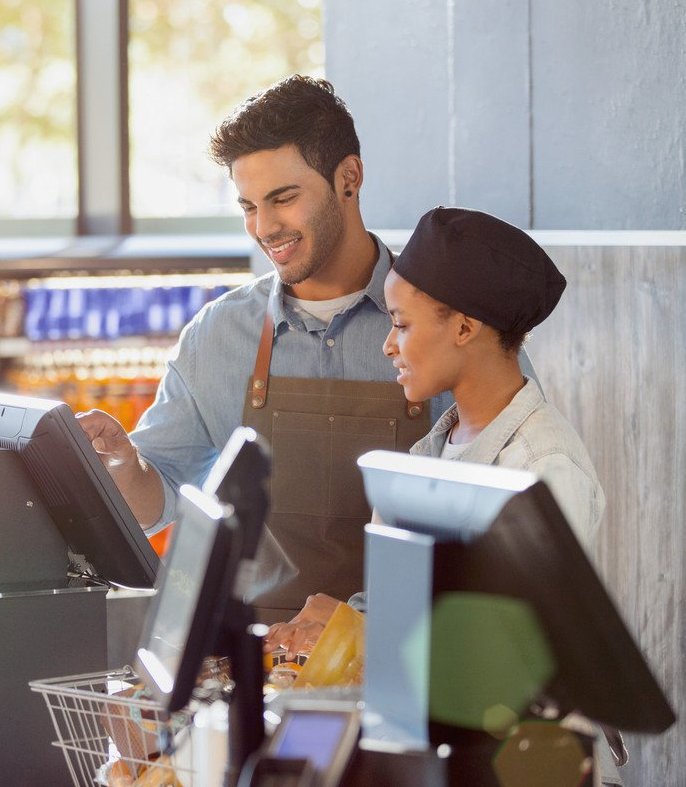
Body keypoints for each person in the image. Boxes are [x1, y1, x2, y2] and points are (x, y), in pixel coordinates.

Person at [76, 75, 458, 624]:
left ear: (349, 178)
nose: (264, 227)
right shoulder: (218, 334)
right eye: (249, 205)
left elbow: (503, 519)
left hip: (407, 645)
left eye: (284, 199)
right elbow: (155, 503)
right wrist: (123, 464)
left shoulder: (449, 323)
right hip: (258, 658)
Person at [264, 205, 605, 653]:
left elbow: (518, 654)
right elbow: (398, 609)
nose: (388, 345)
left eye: (401, 324)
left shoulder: (543, 469)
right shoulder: (428, 454)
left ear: (464, 328)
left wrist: (365, 633)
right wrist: (344, 622)